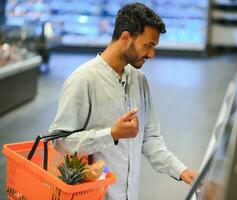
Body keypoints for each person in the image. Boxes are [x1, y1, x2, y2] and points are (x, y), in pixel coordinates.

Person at [49, 2, 196, 200]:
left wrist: (181, 171)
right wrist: (111, 134)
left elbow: (150, 139)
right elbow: (60, 142)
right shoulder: (83, 79)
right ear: (126, 38)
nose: (151, 55)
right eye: (148, 45)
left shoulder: (139, 80)